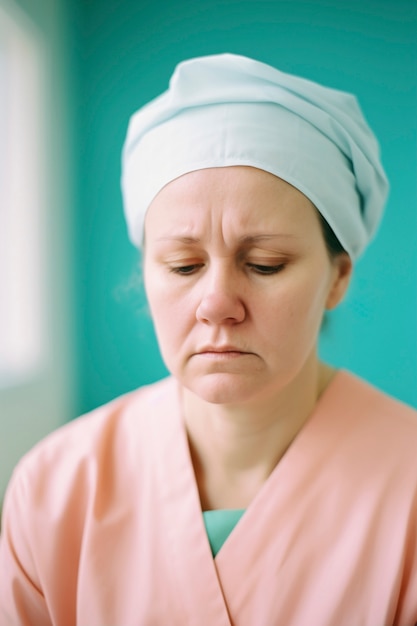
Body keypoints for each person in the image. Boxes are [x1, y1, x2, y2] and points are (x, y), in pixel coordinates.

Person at [1, 53, 416, 625]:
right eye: (182, 265)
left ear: (337, 276)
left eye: (266, 264)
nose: (217, 303)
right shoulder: (55, 488)